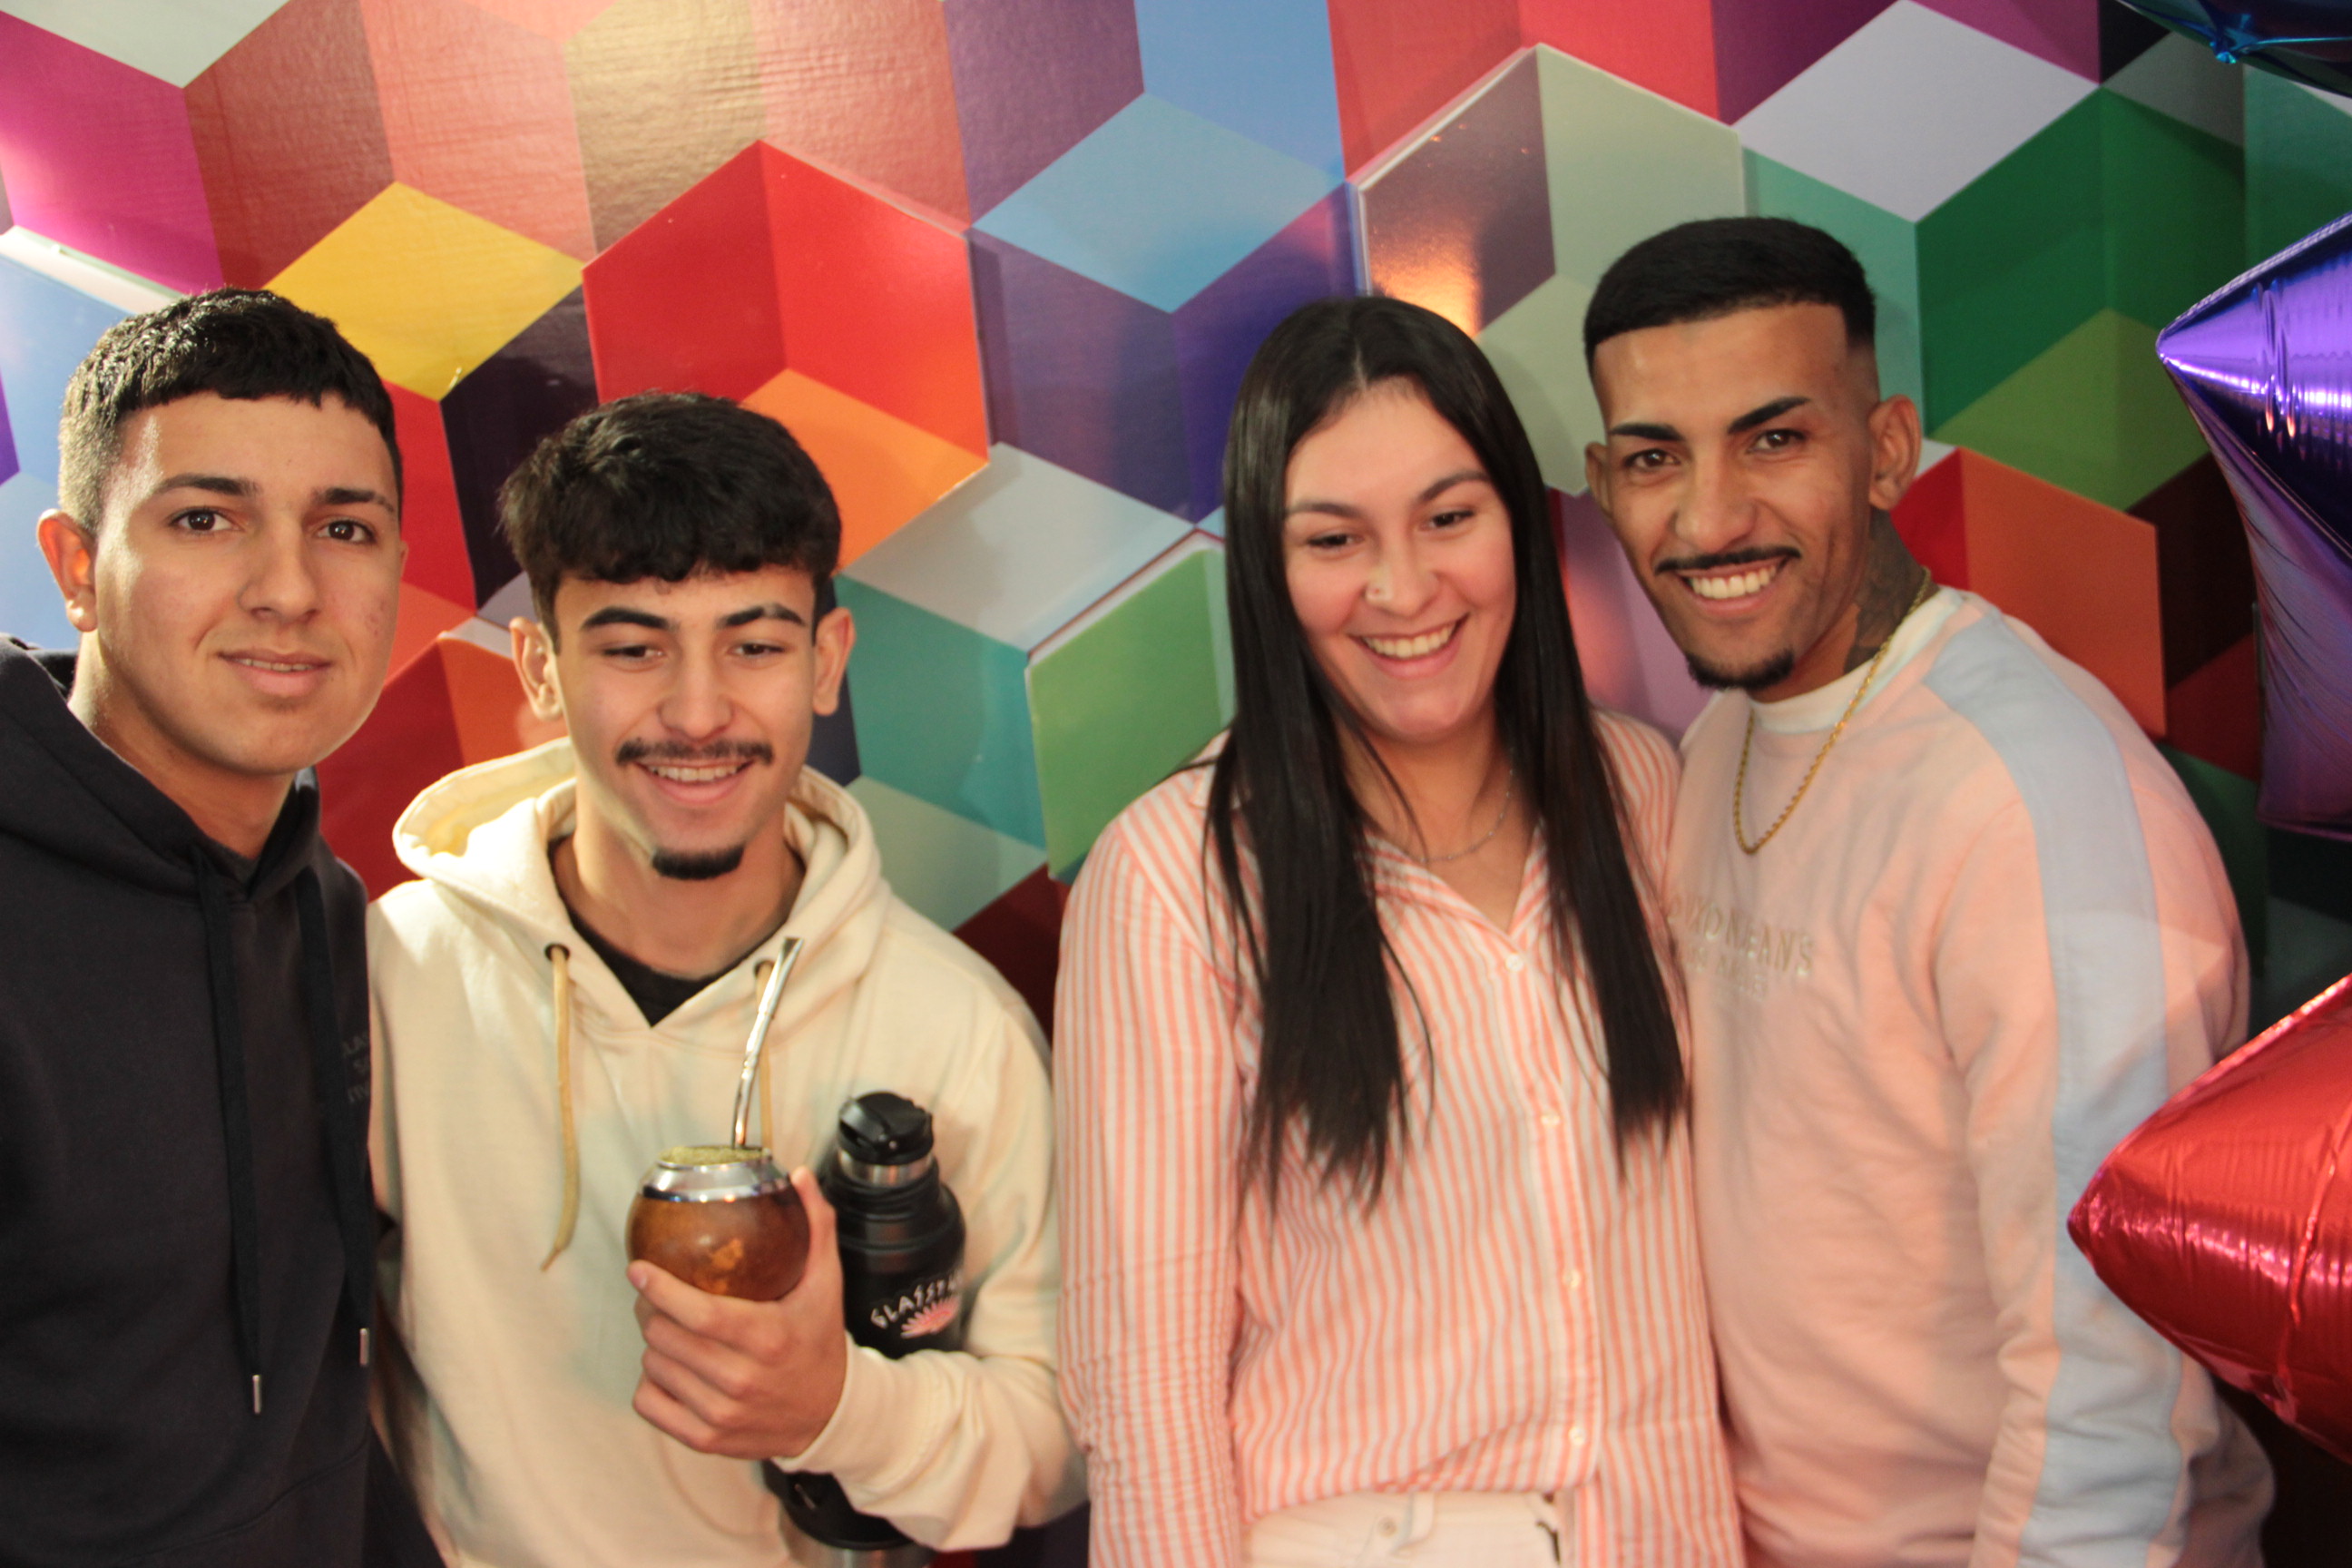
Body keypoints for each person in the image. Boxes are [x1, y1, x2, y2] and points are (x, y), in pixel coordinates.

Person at [1579, 216, 2273, 1567]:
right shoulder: (1718, 742)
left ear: (1888, 449)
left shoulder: (2037, 805)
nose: (1710, 519)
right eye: (1658, 458)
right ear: (1605, 484)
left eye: (1774, 439)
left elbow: (2114, 1387)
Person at [1056, 295, 1741, 1568]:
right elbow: (1144, 1387)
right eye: (1335, 539)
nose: (1404, 588)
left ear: (1519, 523)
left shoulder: (1643, 792)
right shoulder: (1173, 879)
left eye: (1448, 518)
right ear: (1268, 570)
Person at [366, 390, 1082, 1566]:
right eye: (633, 648)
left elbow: (1055, 1441)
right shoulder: (395, 972)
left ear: (826, 661)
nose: (697, 714)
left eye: (753, 645)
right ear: (540, 667)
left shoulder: (959, 1027)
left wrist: (837, 1408)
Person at [3, 289, 436, 1563]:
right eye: (205, 519)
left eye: (343, 528)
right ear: (77, 570)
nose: (290, 589)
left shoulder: (325, 906)